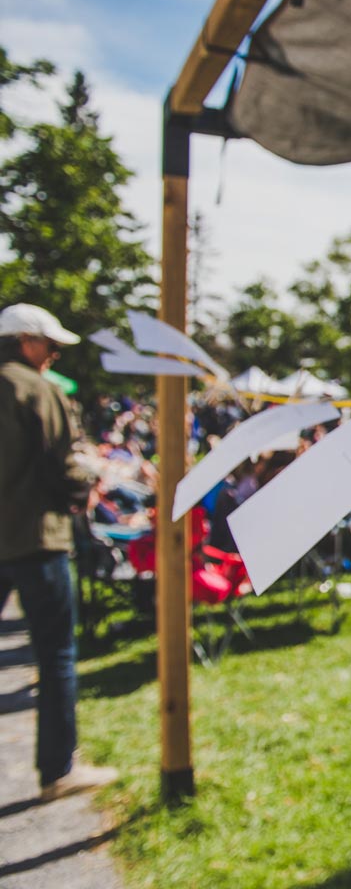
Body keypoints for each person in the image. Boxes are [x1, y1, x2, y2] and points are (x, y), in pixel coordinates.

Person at [0, 304, 117, 800]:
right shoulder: (36, 390)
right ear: (27, 341)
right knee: (56, 653)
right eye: (51, 347)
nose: (53, 357)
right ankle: (58, 769)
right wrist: (85, 485)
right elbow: (62, 463)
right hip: (34, 537)